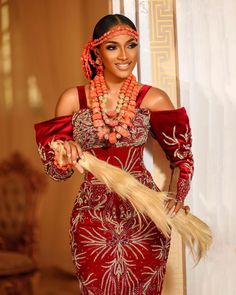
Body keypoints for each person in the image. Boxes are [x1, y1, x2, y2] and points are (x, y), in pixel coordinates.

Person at [35, 14, 194, 295]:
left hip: (145, 218)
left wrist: (177, 198)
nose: (124, 55)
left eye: (131, 45)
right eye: (112, 47)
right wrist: (63, 154)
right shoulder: (73, 100)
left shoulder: (153, 99)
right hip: (91, 219)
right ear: (95, 52)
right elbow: (57, 173)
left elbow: (181, 158)